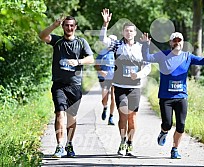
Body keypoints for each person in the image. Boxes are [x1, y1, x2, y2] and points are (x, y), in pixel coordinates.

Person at [141, 32, 204, 159]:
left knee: (181, 126)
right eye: (174, 40)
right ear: (170, 43)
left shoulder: (187, 56)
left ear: (182, 43)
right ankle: (164, 132)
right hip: (166, 97)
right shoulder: (162, 55)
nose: (177, 42)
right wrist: (145, 45)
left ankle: (175, 149)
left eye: (179, 40)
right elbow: (147, 57)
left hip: (181, 96)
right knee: (167, 124)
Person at [39, 15, 94, 158]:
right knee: (59, 113)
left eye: (71, 26)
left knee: (72, 118)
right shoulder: (57, 41)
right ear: (63, 26)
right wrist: (53, 25)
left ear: (75, 27)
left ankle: (69, 143)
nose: (69, 28)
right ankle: (59, 146)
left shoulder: (81, 42)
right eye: (66, 25)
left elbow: (91, 59)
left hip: (74, 86)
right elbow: (42, 36)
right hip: (59, 85)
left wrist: (78, 62)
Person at [100, 8, 151, 156]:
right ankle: (122, 141)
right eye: (126, 31)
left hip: (134, 87)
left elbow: (148, 66)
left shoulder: (141, 48)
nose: (129, 33)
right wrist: (105, 24)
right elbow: (103, 41)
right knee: (122, 115)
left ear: (135, 33)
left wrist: (139, 74)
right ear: (123, 32)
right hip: (120, 86)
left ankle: (130, 143)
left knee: (132, 117)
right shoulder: (116, 45)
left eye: (131, 31)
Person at [94, 35, 117, 125]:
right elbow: (96, 65)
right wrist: (101, 71)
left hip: (115, 78)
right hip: (104, 78)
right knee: (105, 96)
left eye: (114, 41)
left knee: (114, 97)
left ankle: (111, 117)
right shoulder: (102, 53)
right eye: (111, 41)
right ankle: (105, 107)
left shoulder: (118, 53)